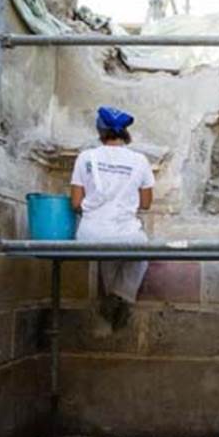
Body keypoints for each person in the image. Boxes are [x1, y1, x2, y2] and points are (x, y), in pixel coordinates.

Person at [70, 106, 155, 329]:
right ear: (125, 132)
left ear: (100, 131)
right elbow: (146, 203)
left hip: (89, 235)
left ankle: (111, 300)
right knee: (140, 249)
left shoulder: (85, 157)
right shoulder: (140, 160)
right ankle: (121, 296)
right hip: (125, 233)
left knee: (106, 249)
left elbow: (75, 203)